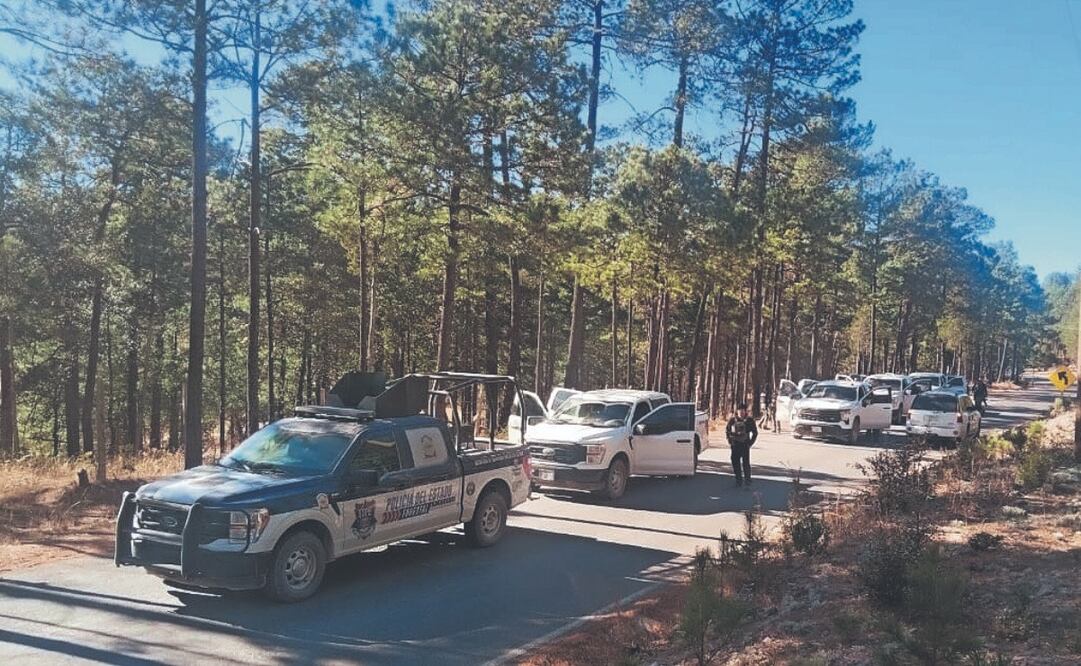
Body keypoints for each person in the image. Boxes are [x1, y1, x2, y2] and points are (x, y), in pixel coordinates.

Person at [725, 403, 758, 487]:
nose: (741, 412)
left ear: (745, 411)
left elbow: (755, 433)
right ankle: (738, 479)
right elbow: (727, 431)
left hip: (745, 444)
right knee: (735, 462)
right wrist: (730, 441)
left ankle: (747, 480)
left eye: (743, 411)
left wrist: (750, 443)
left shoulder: (749, 421)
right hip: (735, 444)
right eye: (739, 411)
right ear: (737, 411)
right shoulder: (732, 420)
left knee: (745, 463)